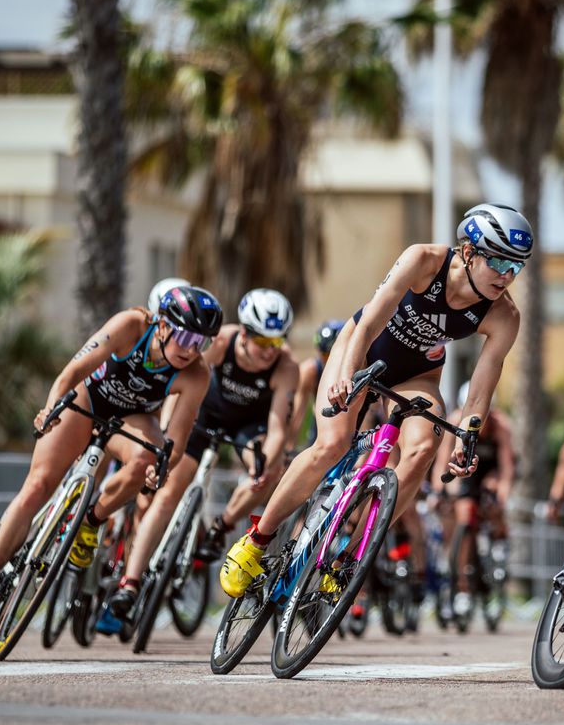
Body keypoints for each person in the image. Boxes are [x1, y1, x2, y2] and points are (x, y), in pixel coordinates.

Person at [216, 202, 533, 600]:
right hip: (363, 350)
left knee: (421, 449)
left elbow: (483, 384)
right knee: (332, 443)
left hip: (417, 375)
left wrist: (466, 438)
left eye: (516, 267)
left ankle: (349, 556)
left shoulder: (505, 315)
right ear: (468, 251)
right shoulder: (423, 260)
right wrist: (347, 373)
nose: (507, 276)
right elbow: (369, 321)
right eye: (500, 261)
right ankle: (256, 541)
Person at [0, 286, 223, 620]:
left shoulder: (197, 373)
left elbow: (177, 437)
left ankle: (90, 520)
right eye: (186, 338)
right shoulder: (131, 325)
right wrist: (52, 406)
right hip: (89, 398)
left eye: (202, 343)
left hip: (131, 416)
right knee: (39, 484)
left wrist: (162, 469)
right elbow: (73, 372)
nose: (192, 350)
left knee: (150, 458)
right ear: (163, 324)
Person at [104, 288, 299, 621]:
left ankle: (220, 528)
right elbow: (180, 383)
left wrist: (263, 465)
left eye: (277, 342)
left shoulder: (286, 367)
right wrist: (165, 434)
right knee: (166, 495)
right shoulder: (220, 342)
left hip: (248, 427)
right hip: (203, 416)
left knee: (267, 473)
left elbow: (277, 428)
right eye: (263, 342)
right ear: (245, 333)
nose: (270, 351)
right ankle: (131, 583)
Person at [434, 380, 515, 617]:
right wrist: (444, 489)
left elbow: (507, 467)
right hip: (467, 472)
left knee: (493, 497)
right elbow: (443, 461)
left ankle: (499, 541)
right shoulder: (455, 420)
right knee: (464, 514)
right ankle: (463, 587)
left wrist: (502, 494)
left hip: (491, 471)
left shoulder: (501, 426)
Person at [290, 319, 345, 446]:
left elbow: (369, 415)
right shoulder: (310, 370)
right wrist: (289, 447)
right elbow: (297, 413)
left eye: (332, 356)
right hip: (323, 424)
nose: (328, 362)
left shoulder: (356, 368)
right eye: (324, 356)